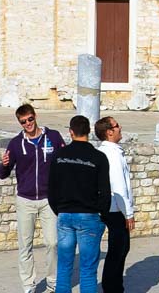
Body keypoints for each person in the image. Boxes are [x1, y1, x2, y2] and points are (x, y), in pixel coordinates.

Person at [0, 102, 66, 293]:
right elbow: (2, 174)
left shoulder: (53, 137)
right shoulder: (16, 143)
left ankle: (53, 283)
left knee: (53, 243)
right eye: (23, 121)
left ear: (35, 116)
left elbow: (64, 163)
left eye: (30, 119)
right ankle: (28, 286)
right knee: (25, 245)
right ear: (20, 123)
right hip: (25, 200)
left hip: (48, 199)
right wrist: (4, 165)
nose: (28, 123)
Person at [48, 115, 111, 293]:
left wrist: (59, 210)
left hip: (65, 215)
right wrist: (102, 215)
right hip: (89, 215)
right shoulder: (98, 157)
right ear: (89, 131)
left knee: (64, 267)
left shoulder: (58, 156)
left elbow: (51, 189)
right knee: (88, 270)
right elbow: (105, 192)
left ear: (71, 132)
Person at [94, 116, 134, 293]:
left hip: (110, 207)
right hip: (115, 208)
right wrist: (128, 213)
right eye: (117, 126)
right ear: (109, 132)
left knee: (119, 248)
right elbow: (118, 185)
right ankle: (113, 288)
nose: (120, 127)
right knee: (119, 249)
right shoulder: (113, 154)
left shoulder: (106, 151)